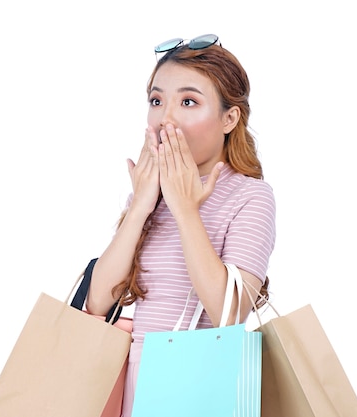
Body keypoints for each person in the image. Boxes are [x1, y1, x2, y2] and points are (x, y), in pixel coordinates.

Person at [86, 34, 276, 416]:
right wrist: (141, 204)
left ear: (229, 118)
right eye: (157, 101)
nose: (165, 118)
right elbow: (98, 302)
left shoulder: (251, 196)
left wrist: (186, 209)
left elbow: (229, 312)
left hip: (198, 385)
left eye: (188, 101)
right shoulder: (148, 194)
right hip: (136, 384)